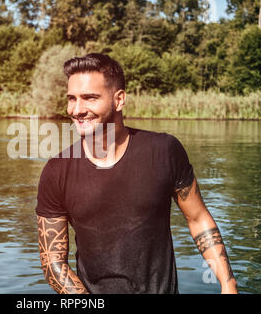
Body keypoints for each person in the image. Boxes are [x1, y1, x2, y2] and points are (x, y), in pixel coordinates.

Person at [35, 53, 238, 294]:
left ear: (118, 99)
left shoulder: (164, 150)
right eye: (72, 98)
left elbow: (197, 218)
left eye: (89, 98)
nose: (77, 110)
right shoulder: (57, 170)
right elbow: (53, 263)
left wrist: (228, 283)